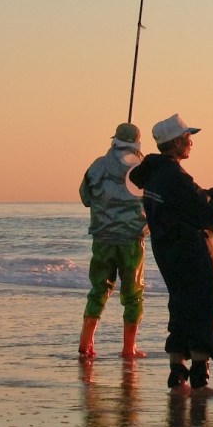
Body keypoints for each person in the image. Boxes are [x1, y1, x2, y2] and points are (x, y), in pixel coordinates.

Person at [128, 113, 213, 391]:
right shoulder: (174, 175)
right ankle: (200, 375)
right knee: (206, 308)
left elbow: (197, 195)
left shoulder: (156, 174)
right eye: (188, 138)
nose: (191, 143)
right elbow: (202, 207)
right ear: (176, 143)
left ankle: (177, 371)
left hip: (167, 253)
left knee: (180, 307)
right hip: (192, 253)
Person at [78, 122, 151, 360]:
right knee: (133, 294)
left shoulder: (97, 166)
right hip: (132, 240)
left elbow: (85, 197)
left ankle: (86, 342)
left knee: (98, 289)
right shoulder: (142, 168)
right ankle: (129, 348)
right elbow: (154, 200)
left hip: (102, 237)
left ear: (114, 140)